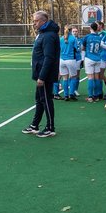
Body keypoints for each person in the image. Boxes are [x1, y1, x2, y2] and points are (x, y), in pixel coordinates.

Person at [24, 10, 61, 138]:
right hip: (40, 73)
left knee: (46, 100)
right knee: (39, 100)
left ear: (43, 21)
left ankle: (50, 127)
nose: (34, 24)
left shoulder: (49, 35)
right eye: (33, 21)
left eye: (36, 21)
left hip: (45, 75)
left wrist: (42, 76)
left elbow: (49, 57)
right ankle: (35, 125)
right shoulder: (42, 33)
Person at [82, 23, 105, 102]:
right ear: (97, 28)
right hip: (98, 59)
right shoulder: (99, 37)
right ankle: (97, 96)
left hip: (89, 58)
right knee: (97, 78)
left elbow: (83, 47)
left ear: (90, 28)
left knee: (90, 78)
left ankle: (90, 97)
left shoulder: (87, 37)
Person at [58, 25, 81, 101]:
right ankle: (71, 94)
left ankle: (65, 95)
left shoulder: (61, 38)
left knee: (65, 78)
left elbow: (59, 49)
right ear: (71, 30)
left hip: (62, 60)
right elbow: (77, 49)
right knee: (74, 77)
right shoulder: (73, 38)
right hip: (70, 60)